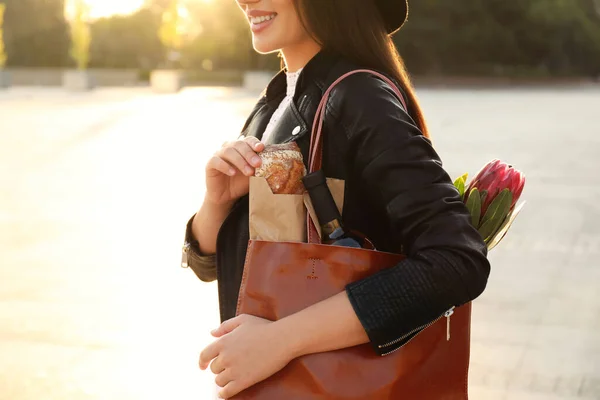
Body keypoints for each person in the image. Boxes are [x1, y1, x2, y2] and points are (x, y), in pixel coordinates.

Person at [181, 0, 491, 398]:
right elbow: (211, 266)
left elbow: (456, 260)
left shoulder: (360, 97)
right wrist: (217, 202)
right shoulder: (275, 101)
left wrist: (280, 341)